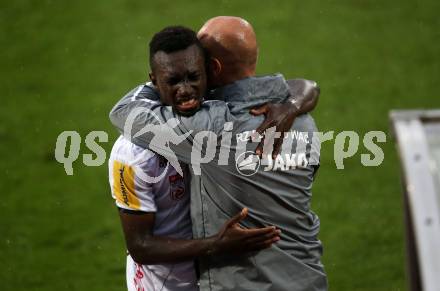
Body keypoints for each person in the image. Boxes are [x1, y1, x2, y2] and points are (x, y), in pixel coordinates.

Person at [110, 18, 327, 291]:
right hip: (307, 279)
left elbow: (123, 114)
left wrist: (162, 77)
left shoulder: (207, 127)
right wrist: (296, 101)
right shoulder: (303, 120)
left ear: (210, 67)